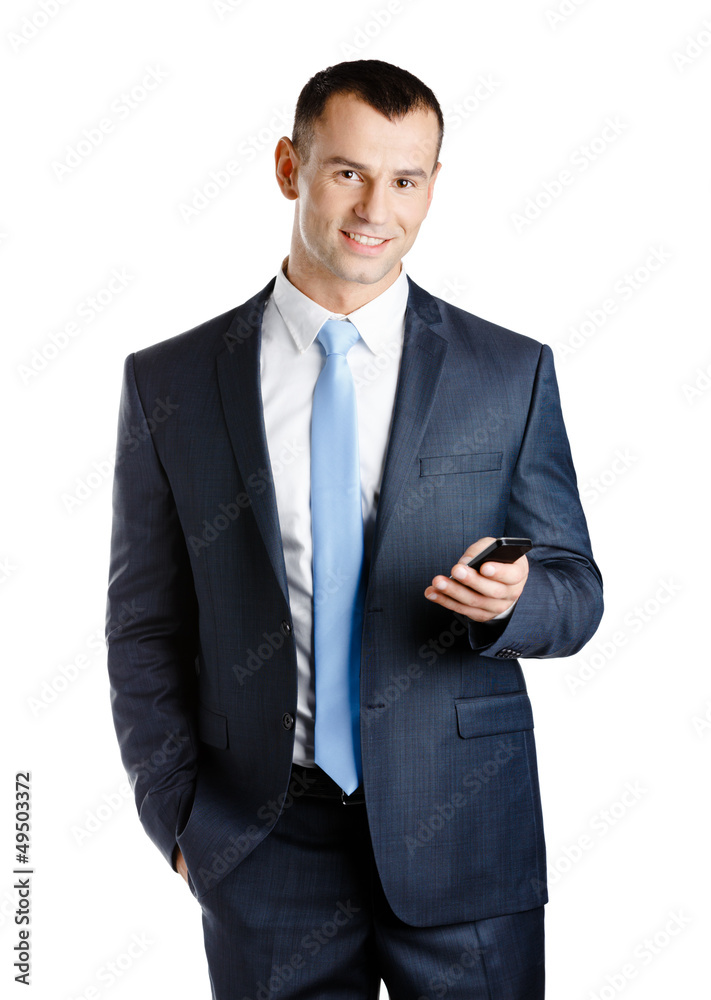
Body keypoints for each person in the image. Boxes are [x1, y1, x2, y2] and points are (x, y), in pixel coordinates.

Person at [105, 58, 603, 1000]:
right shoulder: (168, 384)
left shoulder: (508, 371)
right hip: (263, 848)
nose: (377, 206)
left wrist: (516, 600)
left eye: (406, 179)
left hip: (465, 848)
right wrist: (176, 823)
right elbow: (144, 626)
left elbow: (578, 590)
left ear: (432, 189)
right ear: (290, 167)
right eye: (348, 172)